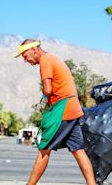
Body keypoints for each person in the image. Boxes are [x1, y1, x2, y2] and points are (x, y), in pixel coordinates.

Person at [15, 39, 96, 185]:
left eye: (26, 56)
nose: (26, 60)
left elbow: (48, 89)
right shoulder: (53, 58)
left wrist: (43, 99)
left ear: (34, 49)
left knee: (43, 150)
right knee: (78, 150)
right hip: (74, 108)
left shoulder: (45, 60)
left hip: (62, 109)